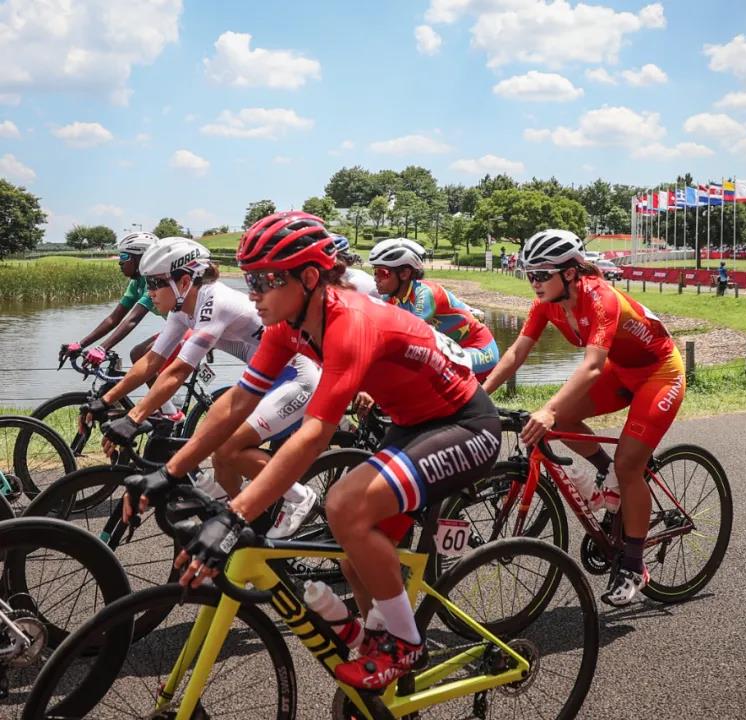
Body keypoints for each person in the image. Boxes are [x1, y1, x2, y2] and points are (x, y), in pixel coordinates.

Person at [154, 212, 500, 690]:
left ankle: (406, 644)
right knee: (352, 555)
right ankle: (379, 652)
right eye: (249, 279)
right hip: (411, 425)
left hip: (466, 425)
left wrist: (234, 516)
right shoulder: (287, 326)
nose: (253, 293)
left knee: (344, 505)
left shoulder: (350, 321)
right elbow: (236, 402)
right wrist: (169, 473)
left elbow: (316, 433)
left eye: (264, 280)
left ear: (310, 278)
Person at [481, 229, 685, 607]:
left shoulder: (600, 299)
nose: (533, 282)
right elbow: (515, 354)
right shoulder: (546, 304)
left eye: (541, 274)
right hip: (621, 371)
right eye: (529, 274)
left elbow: (591, 367)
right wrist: (478, 396)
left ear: (570, 273)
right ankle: (608, 476)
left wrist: (547, 408)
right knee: (562, 423)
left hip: (659, 374)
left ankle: (634, 566)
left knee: (629, 464)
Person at [94, 235, 320, 538]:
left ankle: (298, 496)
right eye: (147, 283)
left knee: (228, 448)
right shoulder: (181, 310)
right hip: (265, 378)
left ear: (184, 281)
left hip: (297, 378)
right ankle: (249, 524)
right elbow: (151, 361)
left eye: (155, 283)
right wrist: (105, 400)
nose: (149, 292)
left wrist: (134, 418)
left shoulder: (215, 301)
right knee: (220, 462)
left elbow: (178, 371)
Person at [58, 231, 187, 419]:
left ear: (141, 258)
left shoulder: (154, 282)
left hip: (191, 328)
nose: (119, 262)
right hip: (177, 328)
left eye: (124, 257)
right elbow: (114, 318)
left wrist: (102, 348)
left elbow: (132, 319)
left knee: (141, 354)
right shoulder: (136, 284)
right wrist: (81, 344)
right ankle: (167, 408)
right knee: (138, 354)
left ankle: (169, 412)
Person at [369, 238, 500, 381]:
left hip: (479, 349)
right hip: (453, 351)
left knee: (424, 367)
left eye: (382, 273)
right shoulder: (390, 298)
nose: (375, 278)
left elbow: (412, 337)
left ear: (405, 273)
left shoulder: (425, 293)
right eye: (374, 271)